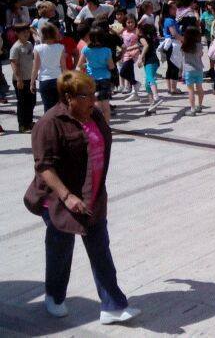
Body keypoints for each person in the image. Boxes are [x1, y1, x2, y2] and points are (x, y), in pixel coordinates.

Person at [23, 71, 141, 325]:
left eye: (93, 93)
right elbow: (44, 167)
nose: (93, 100)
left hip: (92, 196)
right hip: (59, 201)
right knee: (60, 251)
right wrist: (67, 196)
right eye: (86, 95)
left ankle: (112, 307)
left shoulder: (93, 114)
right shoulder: (50, 123)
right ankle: (54, 296)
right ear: (69, 97)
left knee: (100, 250)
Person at [75, 27, 115, 123]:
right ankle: (106, 126)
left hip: (91, 79)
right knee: (106, 104)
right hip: (105, 78)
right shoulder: (107, 50)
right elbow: (111, 66)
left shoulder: (86, 49)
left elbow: (79, 66)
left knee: (95, 102)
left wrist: (87, 65)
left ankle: (97, 125)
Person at [31, 23, 67, 113]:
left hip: (45, 81)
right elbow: (64, 67)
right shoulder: (60, 47)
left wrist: (32, 83)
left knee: (48, 108)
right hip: (58, 79)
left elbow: (35, 68)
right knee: (60, 107)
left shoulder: (37, 48)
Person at [10, 24, 36, 132]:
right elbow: (14, 64)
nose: (26, 34)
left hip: (30, 78)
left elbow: (32, 59)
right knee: (22, 103)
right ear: (17, 33)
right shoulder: (16, 47)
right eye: (23, 32)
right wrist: (19, 79)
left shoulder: (29, 44)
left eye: (27, 32)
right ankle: (22, 125)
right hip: (20, 80)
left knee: (32, 101)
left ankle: (29, 122)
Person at [136, 23, 163, 115]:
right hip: (154, 62)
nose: (136, 30)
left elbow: (146, 46)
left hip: (150, 62)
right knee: (147, 84)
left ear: (140, 30)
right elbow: (145, 48)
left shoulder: (142, 38)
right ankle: (152, 106)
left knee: (150, 78)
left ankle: (156, 96)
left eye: (137, 29)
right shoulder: (150, 37)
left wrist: (140, 58)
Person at [181, 27, 205, 115]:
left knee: (190, 90)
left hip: (188, 70)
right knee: (199, 88)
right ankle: (200, 105)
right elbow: (201, 54)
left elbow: (183, 58)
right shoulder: (199, 45)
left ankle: (192, 109)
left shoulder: (184, 46)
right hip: (198, 69)